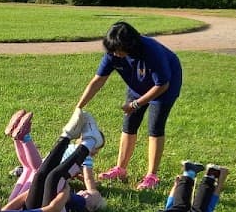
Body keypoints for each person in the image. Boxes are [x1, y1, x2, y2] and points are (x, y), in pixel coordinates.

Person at [74, 21, 183, 192]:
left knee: (155, 128)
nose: (114, 54)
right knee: (129, 126)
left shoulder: (151, 51)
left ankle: (152, 176)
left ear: (130, 45)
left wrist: (137, 104)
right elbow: (98, 80)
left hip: (164, 88)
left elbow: (162, 84)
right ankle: (120, 169)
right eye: (112, 50)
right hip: (137, 87)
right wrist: (79, 107)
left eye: (117, 50)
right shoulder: (113, 53)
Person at [5, 109, 106, 212]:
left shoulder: (70, 147)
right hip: (47, 175)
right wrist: (92, 191)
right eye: (96, 150)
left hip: (47, 163)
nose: (95, 154)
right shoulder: (86, 157)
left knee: (28, 169)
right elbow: (88, 178)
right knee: (35, 170)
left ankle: (18, 137)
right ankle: (24, 137)